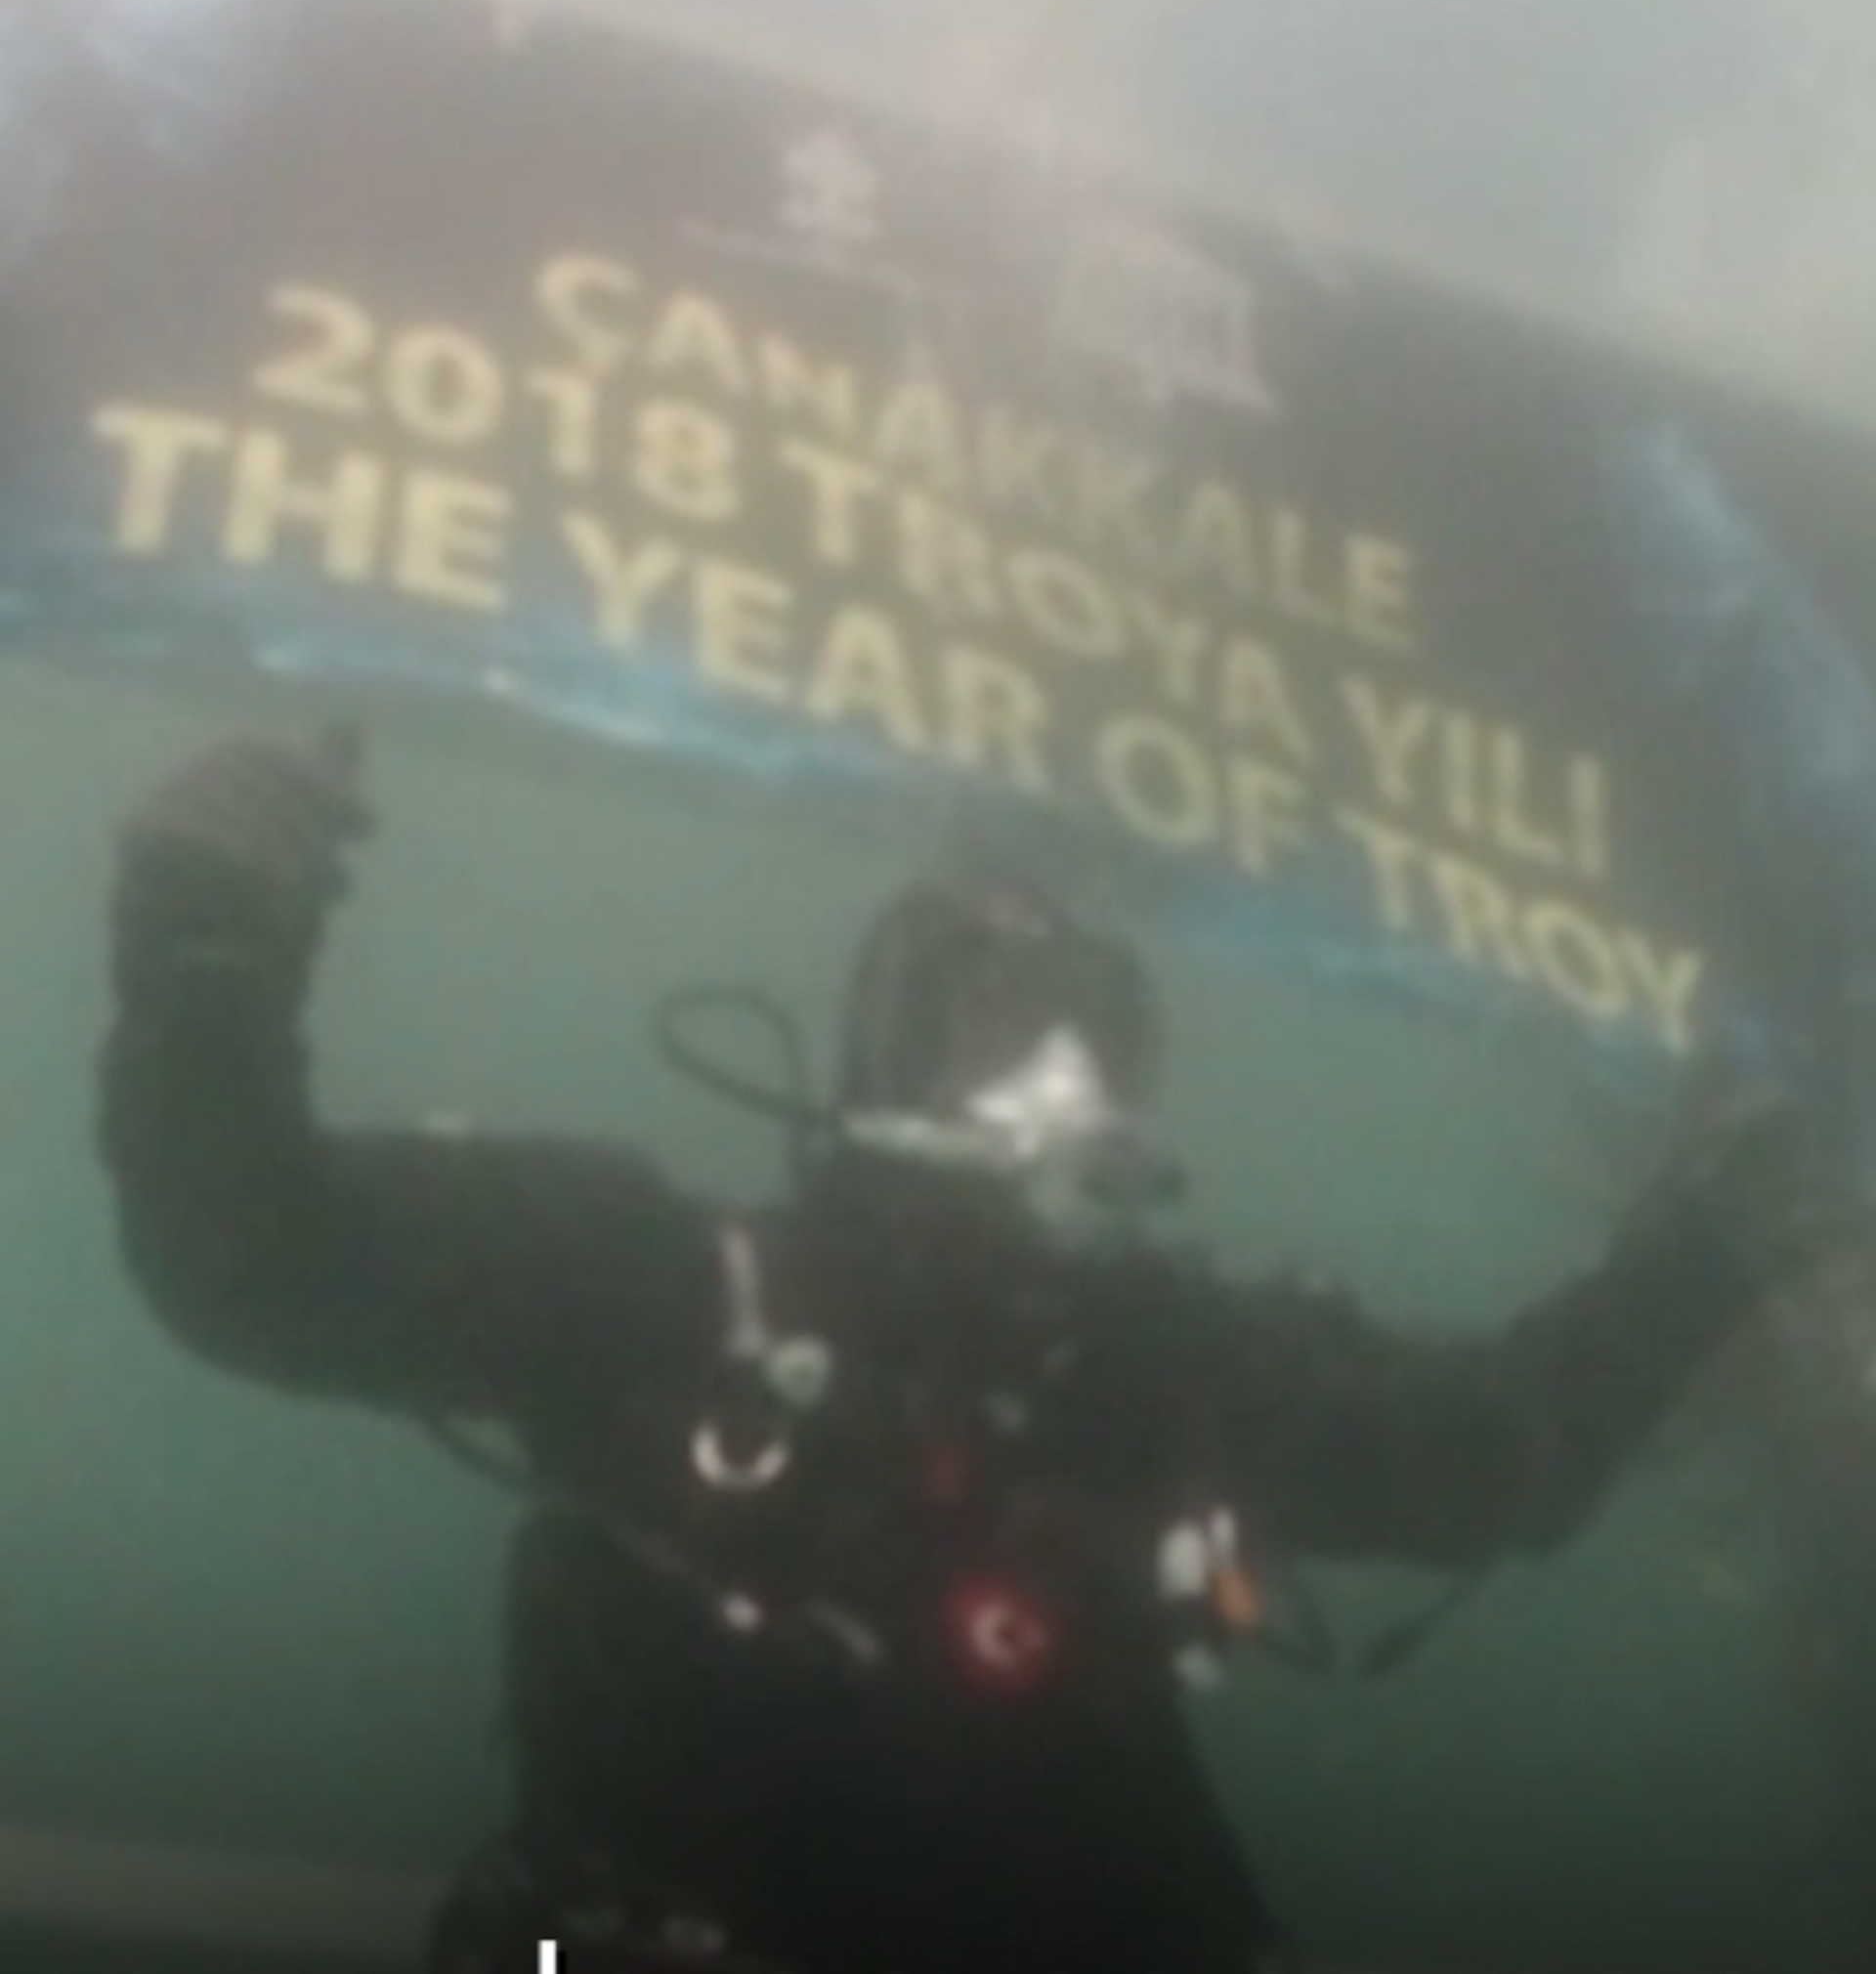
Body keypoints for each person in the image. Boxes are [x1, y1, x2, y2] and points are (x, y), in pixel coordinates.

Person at [96, 727, 1847, 1974]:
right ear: (887, 1048)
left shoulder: (1175, 1364)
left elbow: (1497, 1455)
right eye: (1005, 1023)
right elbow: (258, 1264)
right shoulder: (665, 1278)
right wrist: (206, 935)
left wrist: (1704, 1252)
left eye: (1106, 1037)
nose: (1063, 1090)